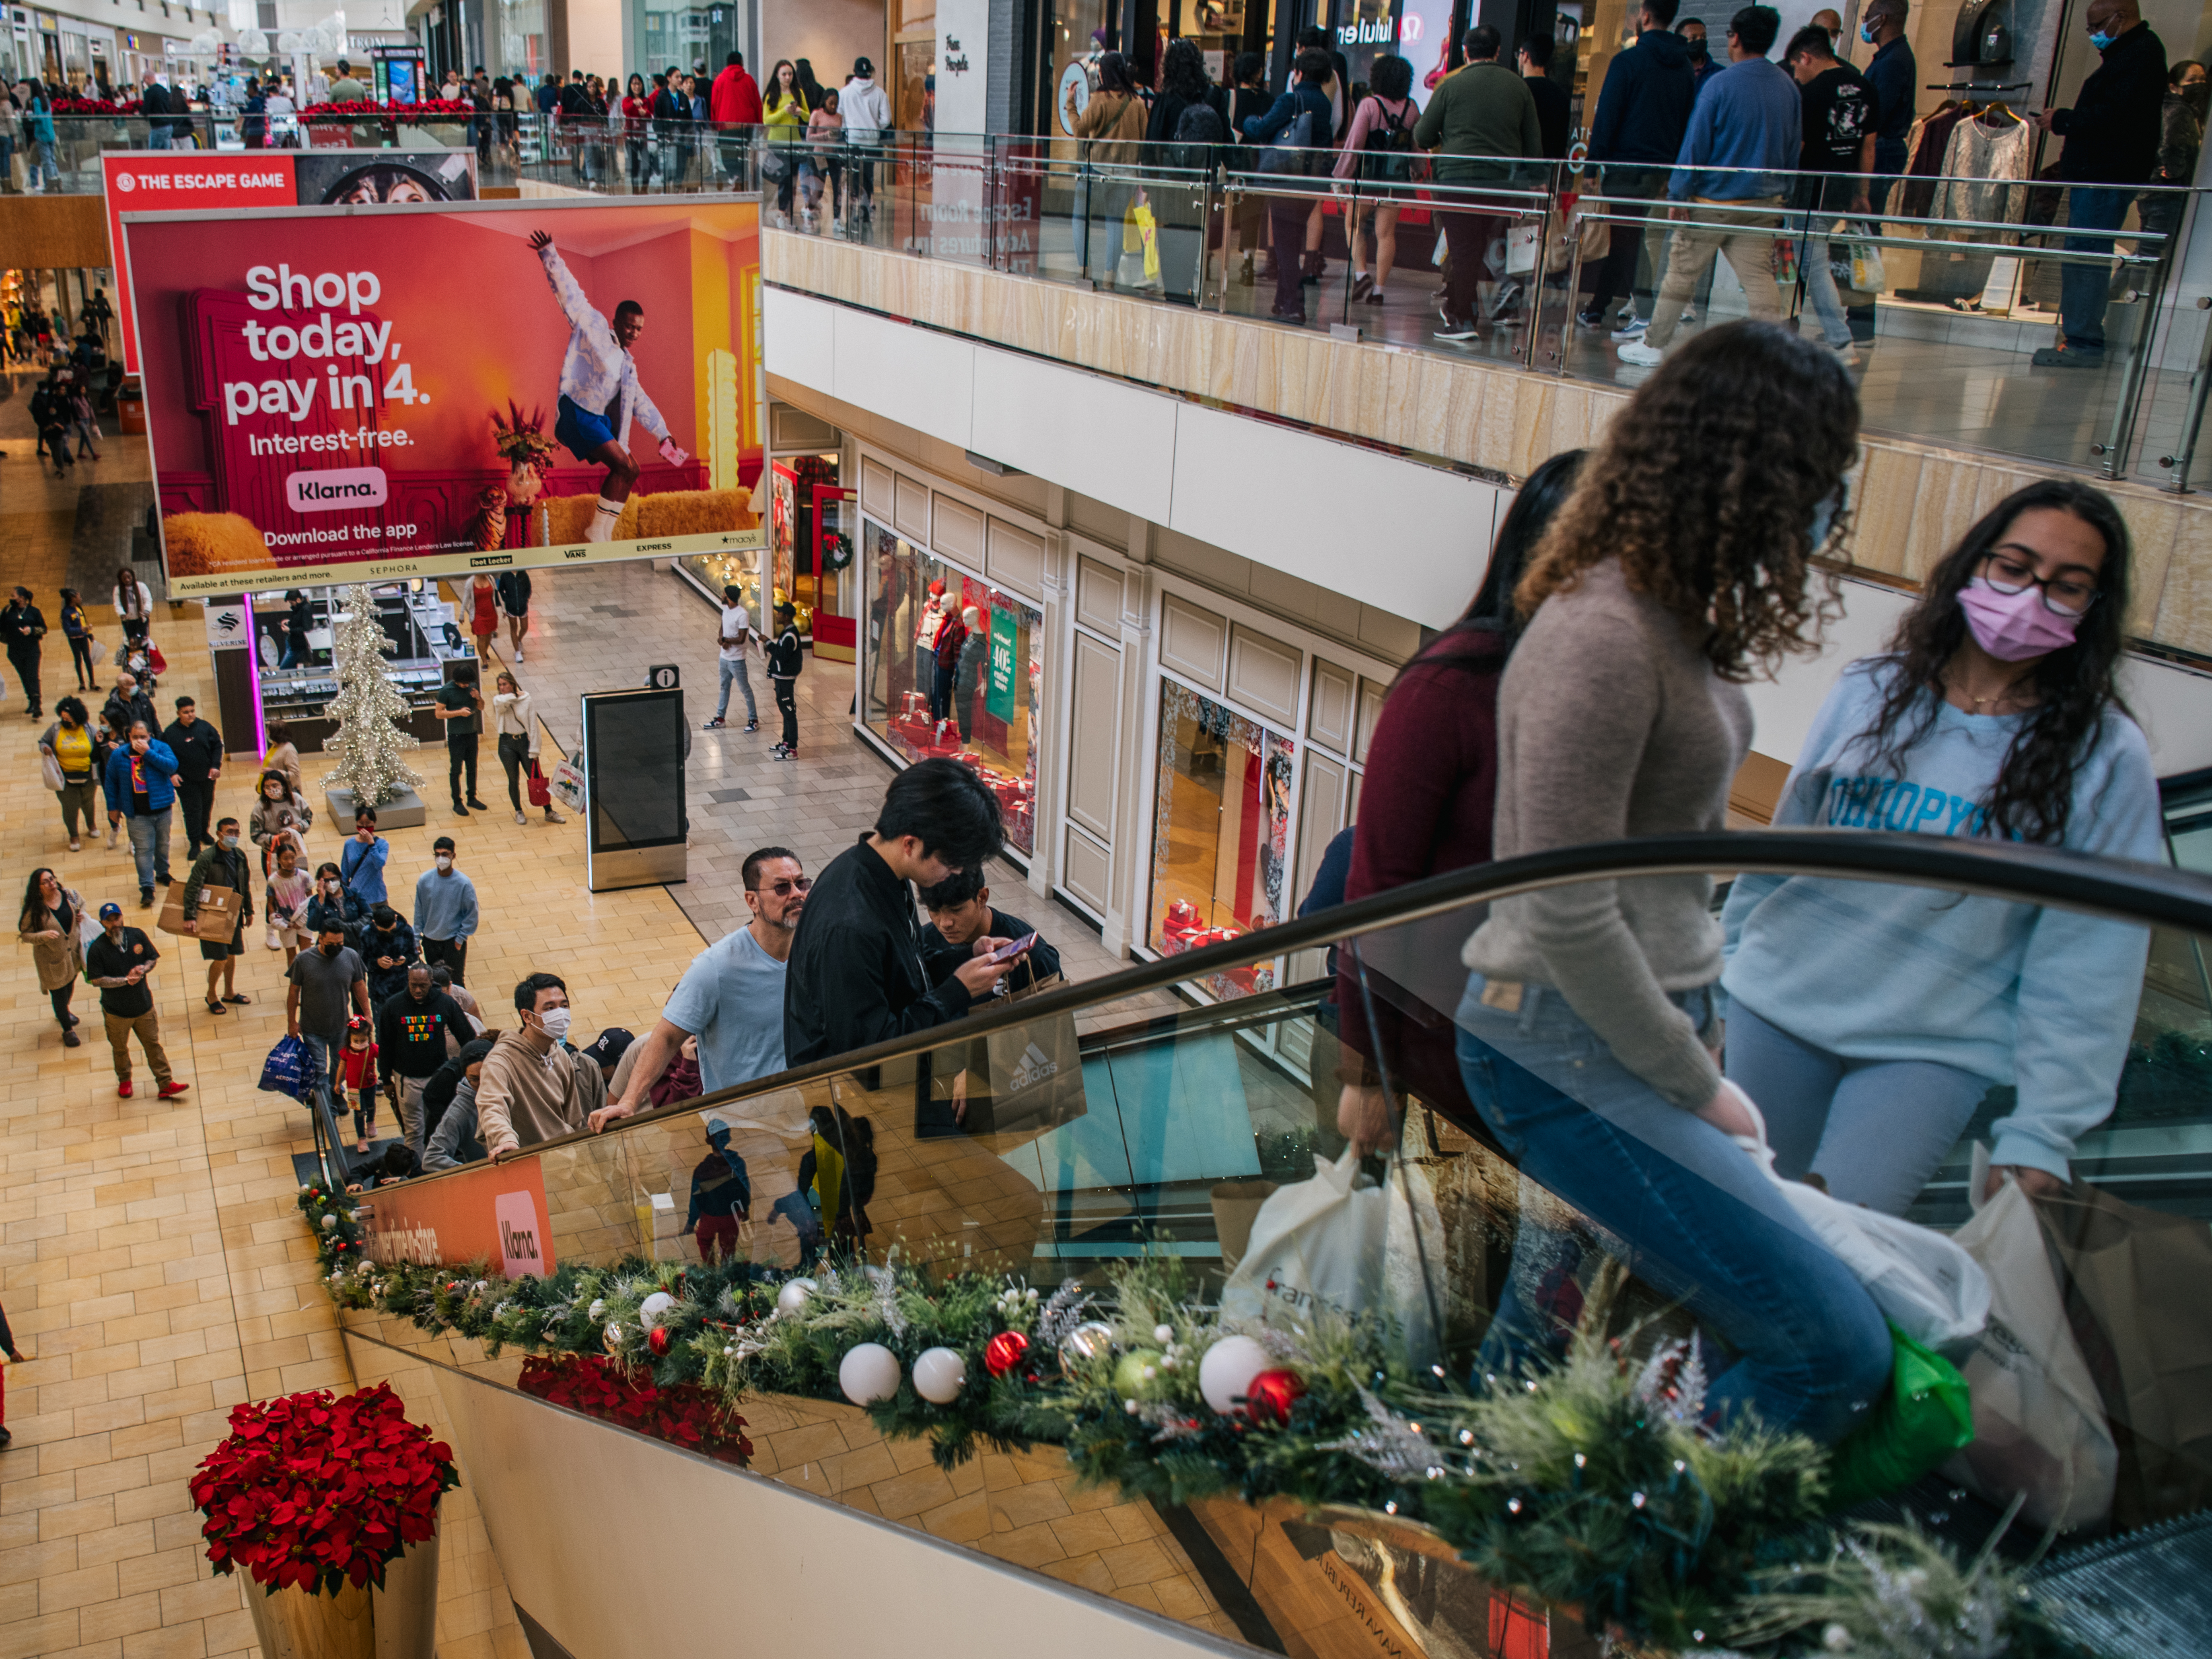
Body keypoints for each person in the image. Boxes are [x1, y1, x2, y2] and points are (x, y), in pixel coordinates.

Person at [1453, 320, 1883, 1441]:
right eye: (1817, 476)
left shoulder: (1665, 620)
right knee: (1828, 1345)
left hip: (1613, 1034)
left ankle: (1490, 1531)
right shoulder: (1600, 633)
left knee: (1546, 1333)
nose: (1828, 507)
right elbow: (1565, 902)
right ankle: (1617, 1544)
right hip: (1564, 1041)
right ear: (1746, 469)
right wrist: (1696, 1082)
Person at [1722, 480, 2159, 1213]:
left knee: (1845, 1258)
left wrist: (2043, 1130)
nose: (2029, 597)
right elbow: (1780, 853)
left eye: (2066, 586)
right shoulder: (1869, 691)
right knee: (1733, 1231)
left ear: (2092, 608)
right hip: (1776, 1004)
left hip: (1930, 1048)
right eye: (2013, 568)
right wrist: (1722, 977)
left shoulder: (2104, 754)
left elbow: (2092, 954)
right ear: (1972, 564)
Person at [1335, 450, 1587, 1154]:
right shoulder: (1451, 689)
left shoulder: (1601, 702)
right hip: (1449, 1054)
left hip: (1558, 1052)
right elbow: (1378, 887)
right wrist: (1364, 1069)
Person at [784, 758, 1023, 1066]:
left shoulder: (883, 875)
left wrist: (968, 959)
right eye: (950, 862)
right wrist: (957, 991)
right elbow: (869, 1052)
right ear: (910, 843)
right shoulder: (849, 924)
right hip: (858, 1102)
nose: (957, 871)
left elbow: (903, 969)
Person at [1619, 5, 1800, 366]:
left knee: (1681, 274)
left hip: (1711, 201)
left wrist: (1678, 193)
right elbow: (1793, 148)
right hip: (1763, 203)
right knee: (1760, 280)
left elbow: (1695, 145)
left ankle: (1654, 344)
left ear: (1734, 37)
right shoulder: (1787, 88)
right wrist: (1784, 195)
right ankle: (1772, 354)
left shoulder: (1720, 85)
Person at [590, 846, 808, 1132]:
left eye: (801, 883)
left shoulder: (816, 950)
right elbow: (667, 1036)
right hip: (745, 1129)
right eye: (782, 887)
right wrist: (629, 1102)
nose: (797, 894)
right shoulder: (716, 967)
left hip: (810, 1116)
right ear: (752, 901)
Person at [528, 228, 689, 541]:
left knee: (632, 470)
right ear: (616, 321)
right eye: (629, 325)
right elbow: (570, 295)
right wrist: (549, 253)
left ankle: (602, 531)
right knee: (621, 464)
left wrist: (663, 433)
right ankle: (596, 533)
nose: (634, 332)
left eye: (639, 329)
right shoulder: (594, 327)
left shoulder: (628, 365)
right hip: (578, 411)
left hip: (598, 421)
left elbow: (640, 401)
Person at [2032, 0, 2167, 368]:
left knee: (2086, 254)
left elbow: (2115, 117)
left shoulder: (2140, 54)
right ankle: (2079, 336)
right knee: (2083, 252)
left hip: (2105, 174)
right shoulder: (2133, 53)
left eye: (2096, 26)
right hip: (2101, 173)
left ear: (2119, 18)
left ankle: (2083, 340)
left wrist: (2064, 120)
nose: (2093, 35)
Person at [1414, 27, 1544, 341]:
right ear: (1498, 52)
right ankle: (1498, 307)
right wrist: (1537, 182)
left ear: (1464, 52)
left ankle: (1462, 319)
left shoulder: (1450, 85)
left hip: (1457, 181)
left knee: (1463, 250)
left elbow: (1422, 136)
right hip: (1503, 184)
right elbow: (1533, 145)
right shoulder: (1519, 87)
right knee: (1491, 244)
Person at [1579, 0, 1699, 335]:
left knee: (1629, 242)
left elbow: (1607, 118)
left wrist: (1591, 169)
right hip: (1663, 170)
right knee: (1626, 239)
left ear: (1644, 16)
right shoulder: (1684, 68)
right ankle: (1596, 309)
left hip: (1626, 168)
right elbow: (1687, 122)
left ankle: (1645, 313)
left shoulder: (1628, 61)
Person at [1784, 25, 1876, 367]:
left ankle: (1839, 341)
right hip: (1841, 187)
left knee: (1812, 264)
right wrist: (1861, 192)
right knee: (1813, 262)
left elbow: (1801, 146)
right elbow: (1868, 145)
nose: (1796, 74)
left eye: (1796, 66)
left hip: (1809, 189)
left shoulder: (1810, 93)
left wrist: (1783, 184)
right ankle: (1830, 338)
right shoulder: (1864, 86)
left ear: (1806, 57)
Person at [1239, 49, 1335, 323]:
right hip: (1312, 182)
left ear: (1299, 73)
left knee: (1285, 245)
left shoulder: (1290, 100)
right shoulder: (1324, 104)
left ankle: (1293, 304)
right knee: (1291, 240)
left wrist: (1249, 120)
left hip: (1284, 179)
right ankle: (1282, 301)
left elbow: (1260, 129)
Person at [481, 973, 604, 1161]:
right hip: (529, 1164)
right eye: (550, 1008)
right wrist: (506, 1139)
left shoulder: (560, 1054)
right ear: (527, 1016)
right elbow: (492, 1106)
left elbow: (572, 1117)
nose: (560, 1013)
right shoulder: (500, 1062)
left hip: (567, 1161)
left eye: (564, 1006)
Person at [1334, 54, 1419, 306]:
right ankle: (1379, 291)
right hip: (1396, 180)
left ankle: (1362, 276)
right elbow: (1417, 149)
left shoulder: (1369, 105)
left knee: (1353, 225)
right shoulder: (1412, 107)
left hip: (1368, 179)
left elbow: (1355, 145)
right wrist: (1418, 172)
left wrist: (1340, 176)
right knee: (1386, 234)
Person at [86, 902, 186, 1099]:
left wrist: (143, 969)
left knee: (153, 1045)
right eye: (109, 921)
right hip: (116, 1013)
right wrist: (124, 981)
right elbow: (96, 979)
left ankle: (165, 1083)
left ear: (122, 917)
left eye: (117, 918)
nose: (115, 923)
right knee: (120, 1049)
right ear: (103, 923)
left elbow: (152, 958)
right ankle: (125, 1081)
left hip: (144, 1007)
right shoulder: (97, 949)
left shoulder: (137, 936)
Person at [376, 964, 477, 1153]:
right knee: (414, 1131)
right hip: (407, 1078)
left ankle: (441, 1162)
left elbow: (468, 1038)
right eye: (414, 985)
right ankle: (417, 1172)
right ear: (408, 981)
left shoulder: (446, 1004)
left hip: (438, 1077)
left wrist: (468, 1069)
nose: (417, 990)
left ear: (431, 983)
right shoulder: (393, 1006)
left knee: (442, 1124)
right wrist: (386, 1079)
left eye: (423, 986)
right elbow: (386, 1045)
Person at [1074, 53, 1154, 291]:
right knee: (1115, 223)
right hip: (1125, 174)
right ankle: (1110, 276)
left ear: (1104, 73)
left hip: (1097, 170)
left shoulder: (1100, 99)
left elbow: (1079, 130)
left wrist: (1070, 104)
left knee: (1080, 218)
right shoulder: (1137, 103)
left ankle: (1084, 271)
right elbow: (1145, 141)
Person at [181, 816, 254, 1014]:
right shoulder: (207, 858)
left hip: (233, 911)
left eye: (236, 832)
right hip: (213, 912)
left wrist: (249, 910)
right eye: (230, 832)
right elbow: (193, 887)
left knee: (231, 955)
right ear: (219, 834)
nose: (234, 836)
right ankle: (211, 994)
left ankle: (229, 992)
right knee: (220, 957)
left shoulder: (239, 855)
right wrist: (189, 916)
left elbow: (244, 885)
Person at [103, 720, 178, 908]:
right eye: (135, 737)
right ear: (129, 737)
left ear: (149, 736)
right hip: (136, 813)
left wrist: (148, 753)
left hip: (162, 809)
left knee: (163, 844)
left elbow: (172, 767)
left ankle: (162, 873)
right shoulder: (119, 755)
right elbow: (111, 782)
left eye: (143, 737)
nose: (139, 741)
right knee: (143, 849)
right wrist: (113, 808)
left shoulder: (160, 748)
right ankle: (147, 887)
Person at [287, 920, 370, 1088]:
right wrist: (292, 1022)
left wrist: (367, 1014)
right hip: (312, 1029)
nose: (336, 947)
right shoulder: (303, 960)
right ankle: (326, 1108)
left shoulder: (351, 956)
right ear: (321, 939)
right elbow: (293, 992)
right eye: (331, 944)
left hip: (341, 1026)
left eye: (340, 944)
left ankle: (336, 1092)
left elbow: (359, 986)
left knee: (340, 1065)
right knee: (319, 1070)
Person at [1856, 0, 1915, 215]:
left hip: (1882, 151)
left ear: (1881, 19)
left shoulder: (1894, 61)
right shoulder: (1891, 56)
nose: (1865, 23)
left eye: (1868, 17)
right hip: (1883, 149)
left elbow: (1876, 116)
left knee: (1867, 220)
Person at [18, 867, 85, 1048]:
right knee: (59, 993)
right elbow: (25, 935)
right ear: (38, 887)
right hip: (51, 961)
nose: (51, 883)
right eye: (45, 882)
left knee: (70, 984)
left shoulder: (69, 895)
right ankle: (68, 1030)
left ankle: (64, 1011)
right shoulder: (35, 910)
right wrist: (42, 936)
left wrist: (80, 916)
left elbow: (81, 905)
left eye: (52, 879)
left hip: (73, 956)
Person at [490, 670, 564, 825]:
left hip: (524, 742)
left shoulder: (527, 699)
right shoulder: (499, 700)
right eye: (500, 685)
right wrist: (514, 695)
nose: (502, 688)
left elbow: (534, 725)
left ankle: (549, 811)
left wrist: (535, 750)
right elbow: (501, 705)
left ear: (512, 683)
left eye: (505, 684)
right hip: (506, 743)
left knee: (536, 778)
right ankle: (518, 811)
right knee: (513, 779)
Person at [2146, 60, 2207, 247]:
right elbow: (2172, 145)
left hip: (2154, 189)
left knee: (2147, 248)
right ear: (2174, 86)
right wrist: (2174, 170)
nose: (2199, 85)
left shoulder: (2165, 107)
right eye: (2192, 80)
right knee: (2152, 252)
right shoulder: (2180, 110)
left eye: (2203, 79)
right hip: (2169, 192)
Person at [162, 695, 225, 859]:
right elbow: (164, 755)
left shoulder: (205, 727)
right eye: (186, 712)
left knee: (206, 806)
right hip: (185, 780)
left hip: (207, 777)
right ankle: (195, 843)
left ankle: (204, 833)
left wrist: (215, 766)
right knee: (192, 811)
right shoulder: (170, 733)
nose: (190, 715)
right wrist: (172, 774)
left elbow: (217, 745)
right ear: (178, 713)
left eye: (192, 711)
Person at [684, 1117, 753, 1262]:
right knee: (729, 1247)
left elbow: (695, 1199)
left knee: (704, 1240)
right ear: (728, 1138)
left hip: (710, 1217)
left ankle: (710, 1269)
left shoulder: (702, 1170)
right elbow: (745, 1187)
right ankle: (728, 1275)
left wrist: (691, 1222)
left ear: (708, 1141)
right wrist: (745, 1208)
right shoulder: (738, 1163)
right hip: (732, 1215)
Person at [422, 1039, 496, 1171]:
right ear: (465, 1076)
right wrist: (476, 1172)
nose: (483, 1084)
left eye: (487, 1075)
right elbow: (432, 1158)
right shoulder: (460, 1111)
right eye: (475, 1079)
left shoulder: (513, 1085)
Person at [414, 836, 478, 986]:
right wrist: (416, 938)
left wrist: (460, 938)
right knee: (433, 981)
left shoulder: (463, 883)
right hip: (430, 941)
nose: (441, 858)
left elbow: (472, 914)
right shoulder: (425, 881)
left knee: (455, 981)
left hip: (452, 941)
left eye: (445, 854)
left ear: (453, 856)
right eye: (437, 854)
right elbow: (419, 911)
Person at [39, 698, 101, 851]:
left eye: (69, 718)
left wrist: (100, 741)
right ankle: (74, 835)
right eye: (63, 718)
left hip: (87, 776)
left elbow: (99, 742)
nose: (65, 720)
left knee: (88, 802)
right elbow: (43, 742)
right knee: (70, 807)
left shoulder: (88, 728)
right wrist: (45, 748)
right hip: (65, 778)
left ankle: (91, 824)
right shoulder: (55, 729)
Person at [433, 662, 489, 816]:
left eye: (468, 683)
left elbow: (482, 707)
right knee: (456, 770)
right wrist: (459, 713)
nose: (466, 685)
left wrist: (478, 698)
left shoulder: (473, 686)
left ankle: (472, 797)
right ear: (457, 680)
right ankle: (457, 801)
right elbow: (439, 714)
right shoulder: (446, 691)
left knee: (473, 768)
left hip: (472, 734)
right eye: (464, 683)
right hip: (456, 736)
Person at [840, 58, 891, 220]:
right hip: (871, 142)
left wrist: (847, 129)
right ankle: (865, 209)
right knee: (868, 175)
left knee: (854, 175)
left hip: (853, 140)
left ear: (855, 72)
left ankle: (855, 208)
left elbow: (840, 118)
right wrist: (874, 128)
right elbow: (886, 119)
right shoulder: (880, 93)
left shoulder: (845, 93)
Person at [704, 583, 759, 732]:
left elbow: (741, 639)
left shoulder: (743, 614)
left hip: (737, 660)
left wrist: (727, 641)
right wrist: (722, 639)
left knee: (745, 689)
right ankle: (720, 718)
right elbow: (722, 628)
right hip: (724, 658)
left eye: (724, 594)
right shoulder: (726, 610)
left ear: (729, 597)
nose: (722, 596)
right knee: (724, 688)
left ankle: (754, 719)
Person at [759, 601, 805, 761]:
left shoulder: (790, 636)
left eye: (779, 613)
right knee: (785, 710)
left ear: (786, 617)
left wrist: (768, 642)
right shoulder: (788, 633)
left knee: (789, 712)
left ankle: (792, 749)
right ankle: (786, 742)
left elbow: (781, 654)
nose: (777, 615)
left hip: (786, 680)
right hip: (782, 679)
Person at [247, 769, 310, 877]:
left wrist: (299, 827)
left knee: (301, 882)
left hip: (296, 851)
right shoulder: (260, 808)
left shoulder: (297, 799)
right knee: (277, 887)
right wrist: (276, 838)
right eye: (268, 787)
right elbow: (256, 835)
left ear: (284, 786)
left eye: (275, 786)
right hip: (273, 853)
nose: (272, 789)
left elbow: (308, 818)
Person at [1518, 35, 1572, 158]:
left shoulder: (1517, 89)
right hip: (1549, 165)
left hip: (1519, 165)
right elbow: (1562, 138)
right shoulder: (1560, 94)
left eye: (1519, 54)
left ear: (1526, 56)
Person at [333, 1016, 381, 1153]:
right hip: (353, 1089)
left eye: (363, 1040)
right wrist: (337, 1083)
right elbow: (341, 1068)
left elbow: (384, 1057)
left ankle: (371, 1122)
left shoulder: (372, 1049)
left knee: (371, 1106)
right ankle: (362, 1138)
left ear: (368, 1037)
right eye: (356, 1041)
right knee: (358, 1113)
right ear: (350, 1039)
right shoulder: (346, 1051)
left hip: (370, 1086)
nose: (359, 1043)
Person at [359, 902, 420, 1005]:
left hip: (403, 989)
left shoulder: (406, 930)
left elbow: (414, 956)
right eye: (383, 931)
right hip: (379, 992)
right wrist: (377, 962)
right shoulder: (366, 934)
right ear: (374, 923)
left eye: (392, 930)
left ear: (395, 918)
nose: (389, 934)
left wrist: (405, 960)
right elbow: (361, 963)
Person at [265, 840, 313, 967]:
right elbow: (270, 903)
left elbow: (311, 898)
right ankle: (295, 983)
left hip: (303, 920)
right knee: (291, 956)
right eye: (286, 859)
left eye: (293, 858)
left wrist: (303, 920)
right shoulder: (273, 880)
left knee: (306, 954)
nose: (290, 862)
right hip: (286, 924)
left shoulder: (304, 876)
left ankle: (307, 984)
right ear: (279, 860)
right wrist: (277, 921)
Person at [1, 587, 45, 719]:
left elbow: (43, 629)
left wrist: (31, 630)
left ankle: (37, 704)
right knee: (24, 677)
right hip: (15, 651)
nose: (11, 598)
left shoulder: (34, 612)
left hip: (32, 649)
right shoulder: (8, 611)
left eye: (13, 595)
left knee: (32, 675)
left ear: (22, 598)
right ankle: (31, 699)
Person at [952, 606, 988, 744]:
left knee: (965, 713)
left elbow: (986, 662)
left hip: (967, 681)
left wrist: (984, 681)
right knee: (961, 712)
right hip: (959, 678)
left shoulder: (981, 641)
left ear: (974, 618)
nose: (964, 620)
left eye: (967, 617)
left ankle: (965, 743)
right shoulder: (971, 635)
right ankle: (963, 740)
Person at [341, 809, 390, 910]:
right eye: (361, 823)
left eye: (368, 823)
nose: (364, 827)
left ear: (374, 823)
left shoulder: (382, 844)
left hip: (377, 896)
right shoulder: (349, 844)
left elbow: (379, 864)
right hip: (356, 896)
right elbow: (345, 872)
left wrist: (372, 844)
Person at [102, 672, 158, 745]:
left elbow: (154, 720)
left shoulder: (143, 698)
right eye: (132, 684)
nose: (136, 687)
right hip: (127, 746)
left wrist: (160, 740)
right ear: (122, 687)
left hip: (148, 741)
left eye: (135, 683)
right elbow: (112, 729)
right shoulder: (112, 705)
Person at [57, 589, 95, 694]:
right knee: (78, 660)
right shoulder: (66, 612)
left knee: (88, 659)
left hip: (83, 638)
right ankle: (82, 683)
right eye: (79, 597)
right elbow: (67, 630)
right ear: (73, 599)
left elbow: (84, 622)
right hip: (74, 640)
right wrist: (81, 630)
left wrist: (89, 634)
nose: (81, 599)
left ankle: (92, 683)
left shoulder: (79, 609)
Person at [112, 567, 154, 655]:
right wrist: (122, 614)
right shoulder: (118, 590)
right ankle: (132, 662)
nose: (127, 580)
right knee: (131, 642)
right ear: (121, 579)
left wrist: (147, 611)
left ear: (133, 577)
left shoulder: (141, 586)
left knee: (143, 641)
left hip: (141, 619)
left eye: (129, 577)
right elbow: (118, 604)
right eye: (124, 579)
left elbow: (148, 600)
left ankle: (145, 659)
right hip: (128, 621)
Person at [495, 569, 532, 661]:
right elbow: (501, 590)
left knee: (525, 627)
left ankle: (519, 640)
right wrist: (507, 600)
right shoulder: (505, 575)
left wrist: (525, 599)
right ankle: (518, 652)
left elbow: (529, 589)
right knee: (514, 628)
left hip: (523, 607)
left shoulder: (523, 574)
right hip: (511, 607)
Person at [1677, 16, 1724, 89]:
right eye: (1693, 38)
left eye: (1704, 37)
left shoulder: (1720, 73)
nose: (1700, 41)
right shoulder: (1671, 72)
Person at [261, 719, 303, 798]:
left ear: (274, 735)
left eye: (268, 732)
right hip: (272, 790)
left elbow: (295, 774)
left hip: (284, 794)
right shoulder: (275, 746)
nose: (267, 734)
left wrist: (274, 773)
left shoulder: (289, 750)